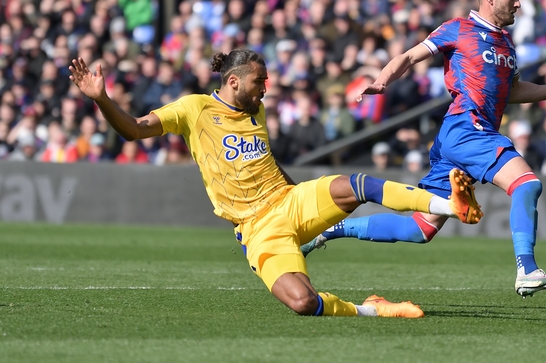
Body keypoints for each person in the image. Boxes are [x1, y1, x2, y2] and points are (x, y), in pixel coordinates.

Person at [67, 49, 483, 318]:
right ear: (234, 82)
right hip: (256, 229)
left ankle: (449, 206)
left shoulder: (257, 110)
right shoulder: (194, 109)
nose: (264, 88)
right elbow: (134, 131)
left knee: (357, 185)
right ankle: (373, 309)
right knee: (303, 302)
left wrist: (297, 193)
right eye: (258, 81)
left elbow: (267, 162)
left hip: (289, 200)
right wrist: (102, 99)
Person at [302, 0, 546, 297]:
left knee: (421, 228)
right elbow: (410, 55)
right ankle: (527, 270)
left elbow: (512, 92)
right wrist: (383, 79)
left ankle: (329, 231)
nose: (518, 3)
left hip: (460, 137)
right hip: (466, 127)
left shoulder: (506, 44)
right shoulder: (459, 29)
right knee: (527, 184)